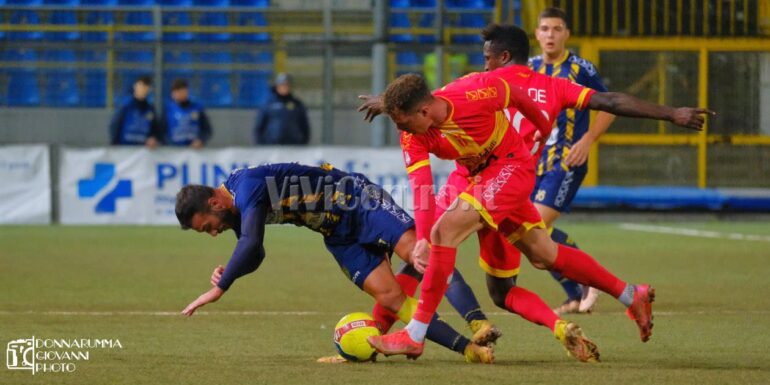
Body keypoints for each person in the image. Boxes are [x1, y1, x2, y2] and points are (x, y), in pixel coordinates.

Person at [365, 50, 713, 358]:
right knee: (543, 253)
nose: (400, 129)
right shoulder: (414, 129)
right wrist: (422, 236)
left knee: (445, 233)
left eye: (402, 120)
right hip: (477, 178)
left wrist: (542, 126)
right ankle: (630, 295)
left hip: (511, 168)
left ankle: (414, 334)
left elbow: (517, 94)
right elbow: (421, 184)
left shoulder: (479, 90)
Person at [175, 163, 495, 364]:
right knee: (389, 296)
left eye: (208, 226)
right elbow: (254, 254)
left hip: (357, 200)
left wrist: (222, 286)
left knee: (419, 255)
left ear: (215, 203)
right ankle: (469, 349)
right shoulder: (236, 207)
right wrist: (230, 270)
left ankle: (477, 322)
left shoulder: (248, 188)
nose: (214, 232)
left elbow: (251, 244)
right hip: (336, 232)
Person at [527, 7, 616, 314]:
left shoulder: (580, 68)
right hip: (533, 165)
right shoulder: (529, 68)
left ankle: (588, 283)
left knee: (533, 226)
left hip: (566, 163)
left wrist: (588, 139)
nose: (550, 34)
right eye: (545, 29)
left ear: (566, 34)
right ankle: (576, 291)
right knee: (527, 233)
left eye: (557, 29)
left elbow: (610, 105)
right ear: (536, 34)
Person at [254, 73, 311, 145]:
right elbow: (259, 127)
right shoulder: (268, 105)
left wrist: (303, 142)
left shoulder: (297, 105)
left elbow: (304, 126)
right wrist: (261, 144)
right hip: (272, 146)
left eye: (286, 85)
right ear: (277, 87)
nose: (284, 88)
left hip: (293, 147)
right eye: (282, 85)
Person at [109, 75, 161, 148]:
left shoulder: (150, 110)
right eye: (141, 86)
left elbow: (155, 130)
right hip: (124, 150)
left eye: (146, 86)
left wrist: (153, 138)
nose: (143, 89)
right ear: (135, 86)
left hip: (143, 152)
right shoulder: (125, 106)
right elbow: (115, 126)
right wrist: (115, 145)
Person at [162, 78, 212, 148]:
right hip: (174, 153)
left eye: (181, 91)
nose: (179, 94)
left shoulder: (197, 108)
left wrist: (200, 140)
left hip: (194, 152)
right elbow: (162, 132)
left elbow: (207, 130)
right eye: (176, 91)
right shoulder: (168, 109)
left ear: (187, 91)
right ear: (172, 94)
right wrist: (170, 144)